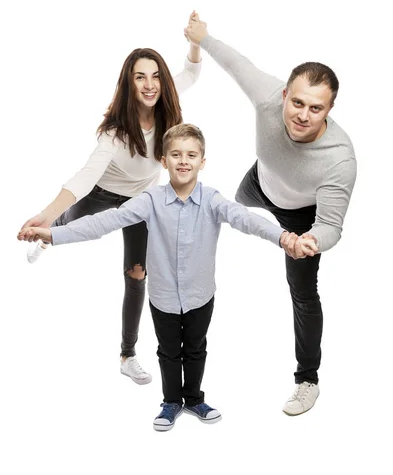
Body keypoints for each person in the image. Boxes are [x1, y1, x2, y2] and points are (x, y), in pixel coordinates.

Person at [18, 124, 318, 431]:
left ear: (203, 161)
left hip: (201, 295)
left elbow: (247, 220)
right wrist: (52, 234)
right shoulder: (149, 200)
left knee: (196, 348)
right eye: (176, 154)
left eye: (191, 155)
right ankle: (172, 402)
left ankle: (194, 399)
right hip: (162, 298)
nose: (183, 160)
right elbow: (103, 222)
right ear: (163, 160)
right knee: (169, 351)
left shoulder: (212, 200)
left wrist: (284, 238)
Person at [183, 19, 357, 416]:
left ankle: (307, 380)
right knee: (224, 208)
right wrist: (202, 38)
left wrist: (312, 240)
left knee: (303, 292)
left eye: (316, 108)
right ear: (284, 95)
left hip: (300, 216)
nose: (303, 115)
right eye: (297, 103)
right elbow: (235, 62)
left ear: (329, 110)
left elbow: (331, 224)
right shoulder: (266, 96)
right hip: (258, 184)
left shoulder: (339, 160)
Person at [19, 11, 203, 386]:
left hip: (139, 202)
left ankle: (127, 354)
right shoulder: (116, 133)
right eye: (140, 77)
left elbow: (193, 72)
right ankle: (47, 233)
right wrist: (44, 214)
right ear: (129, 83)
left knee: (137, 274)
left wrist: (195, 42)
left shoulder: (167, 104)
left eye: (155, 76)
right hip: (101, 193)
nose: (149, 84)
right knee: (66, 220)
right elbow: (84, 178)